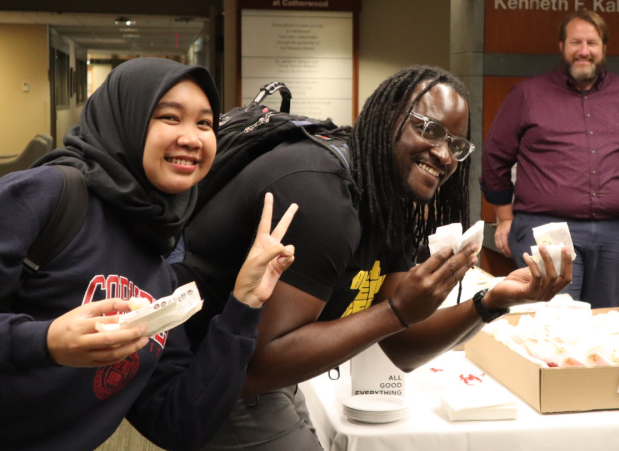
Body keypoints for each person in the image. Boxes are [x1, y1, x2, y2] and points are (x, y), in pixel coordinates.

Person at [174, 65, 573, 450]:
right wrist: (395, 311)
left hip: (259, 378)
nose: (444, 155)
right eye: (429, 129)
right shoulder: (322, 197)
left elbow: (400, 346)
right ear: (387, 119)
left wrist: (493, 302)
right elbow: (259, 363)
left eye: (455, 145)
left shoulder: (385, 195)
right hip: (205, 375)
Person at [0, 57, 298, 451]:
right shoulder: (50, 194)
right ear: (126, 118)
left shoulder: (161, 262)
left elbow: (179, 424)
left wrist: (243, 305)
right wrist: (45, 342)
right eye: (170, 118)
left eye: (205, 123)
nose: (192, 138)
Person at [480, 9, 619, 309]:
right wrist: (504, 217)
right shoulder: (527, 95)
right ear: (561, 46)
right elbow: (494, 158)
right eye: (575, 43)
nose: (584, 51)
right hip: (547, 228)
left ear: (604, 48)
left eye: (592, 43)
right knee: (556, 321)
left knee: (603, 323)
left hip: (615, 233)